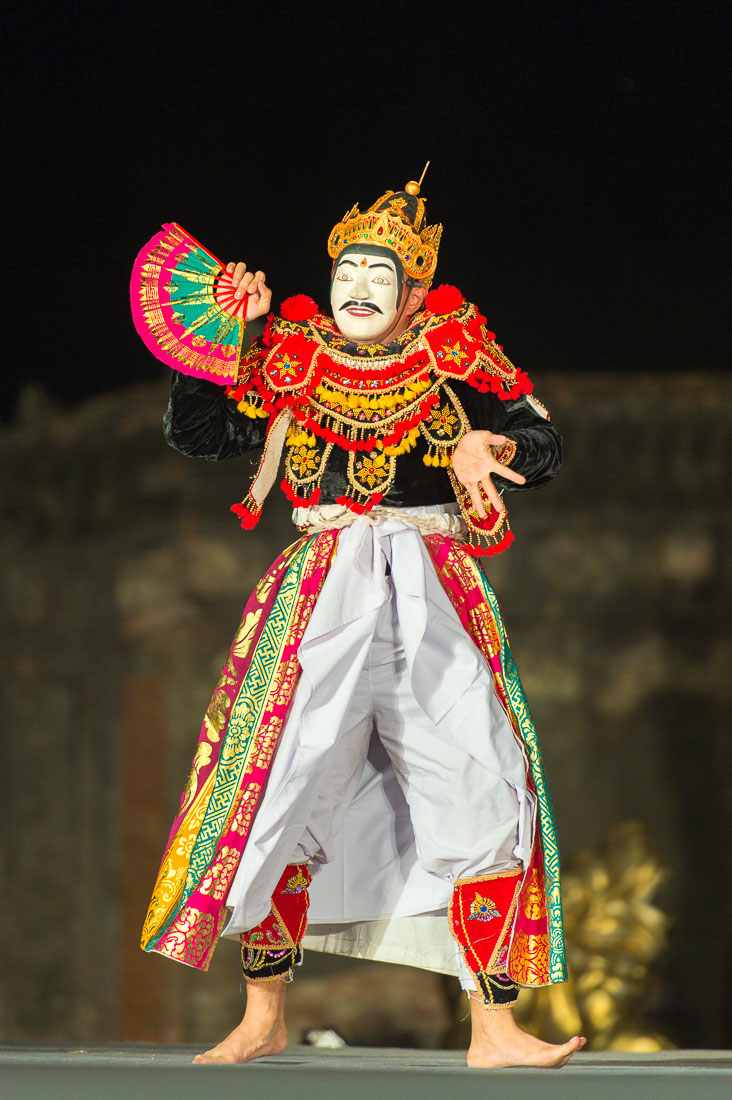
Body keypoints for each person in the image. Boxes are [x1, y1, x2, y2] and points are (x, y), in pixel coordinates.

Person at [133, 178, 586, 1068]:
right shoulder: (292, 356)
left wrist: (487, 446)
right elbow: (202, 435)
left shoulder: (457, 354)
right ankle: (262, 1017)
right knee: (280, 786)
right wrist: (221, 341)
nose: (359, 286)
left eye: (380, 272)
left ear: (416, 290)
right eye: (347, 269)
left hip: (432, 595)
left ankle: (493, 1028)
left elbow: (544, 441)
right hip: (321, 595)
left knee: (486, 785)